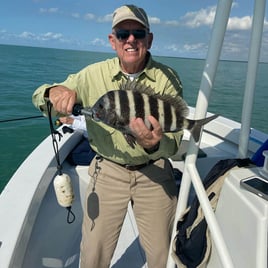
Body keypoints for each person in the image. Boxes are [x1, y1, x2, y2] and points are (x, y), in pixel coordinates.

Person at [32, 4, 183, 268]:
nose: (131, 40)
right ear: (112, 41)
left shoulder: (167, 79)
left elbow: (174, 144)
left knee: (163, 254)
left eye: (138, 32)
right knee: (93, 254)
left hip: (155, 170)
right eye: (123, 34)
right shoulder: (92, 75)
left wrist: (153, 144)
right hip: (109, 169)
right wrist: (53, 92)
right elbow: (40, 97)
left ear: (149, 39)